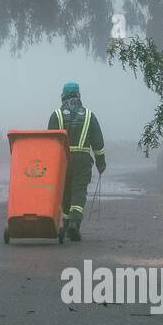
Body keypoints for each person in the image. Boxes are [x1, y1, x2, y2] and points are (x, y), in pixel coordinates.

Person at [47, 82, 106, 243]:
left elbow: (50, 143)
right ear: (79, 96)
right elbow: (98, 142)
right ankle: (74, 223)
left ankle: (66, 227)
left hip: (62, 160)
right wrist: (101, 163)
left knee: (65, 192)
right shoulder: (89, 115)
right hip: (82, 160)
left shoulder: (56, 115)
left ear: (63, 96)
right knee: (79, 191)